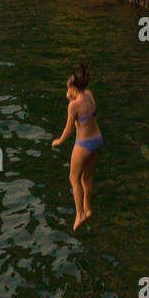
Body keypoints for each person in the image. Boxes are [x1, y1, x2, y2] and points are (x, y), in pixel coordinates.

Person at [52, 63, 102, 231]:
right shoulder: (89, 95)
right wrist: (71, 94)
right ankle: (88, 209)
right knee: (86, 177)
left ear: (73, 88)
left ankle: (79, 213)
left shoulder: (73, 106)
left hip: (84, 144)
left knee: (74, 178)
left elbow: (68, 130)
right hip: (97, 140)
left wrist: (59, 141)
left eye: (68, 89)